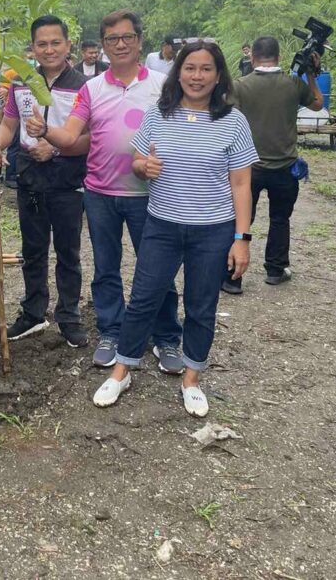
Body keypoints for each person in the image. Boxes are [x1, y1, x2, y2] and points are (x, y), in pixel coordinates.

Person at [93, 41, 258, 417]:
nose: (197, 76)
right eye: (189, 68)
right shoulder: (158, 114)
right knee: (144, 298)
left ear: (218, 76)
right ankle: (123, 369)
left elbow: (241, 185)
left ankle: (192, 378)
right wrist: (142, 168)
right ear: (177, 72)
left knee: (201, 305)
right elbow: (138, 160)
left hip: (212, 231)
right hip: (162, 225)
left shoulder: (233, 122)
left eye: (205, 69)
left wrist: (241, 238)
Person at [27, 10, 183, 371]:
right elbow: (69, 136)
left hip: (152, 195)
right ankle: (112, 331)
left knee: (157, 268)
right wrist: (43, 130)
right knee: (106, 268)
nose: (120, 44)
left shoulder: (163, 86)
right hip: (100, 193)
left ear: (140, 41)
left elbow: (178, 134)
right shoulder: (91, 88)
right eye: (112, 39)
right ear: (103, 45)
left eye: (127, 37)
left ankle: (166, 337)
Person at [0, 15, 89, 347]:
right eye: (42, 44)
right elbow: (8, 125)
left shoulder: (83, 85)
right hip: (30, 178)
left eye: (56, 43)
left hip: (67, 180)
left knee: (68, 252)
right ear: (32, 48)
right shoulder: (21, 83)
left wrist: (57, 148)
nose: (49, 50)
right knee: (33, 250)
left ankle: (68, 316)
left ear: (68, 45)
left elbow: (91, 137)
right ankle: (33, 312)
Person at [222, 36, 323, 294]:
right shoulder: (292, 84)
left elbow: (224, 118)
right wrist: (311, 74)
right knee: (280, 218)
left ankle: (232, 277)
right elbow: (318, 103)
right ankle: (276, 271)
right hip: (285, 167)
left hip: (249, 168)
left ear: (252, 58)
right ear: (278, 57)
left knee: (241, 219)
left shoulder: (240, 86)